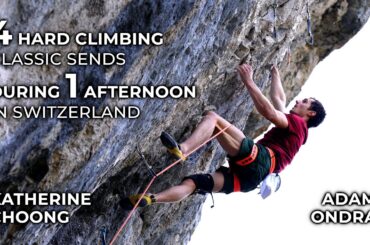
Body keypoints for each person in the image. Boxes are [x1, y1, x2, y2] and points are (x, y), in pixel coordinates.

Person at [120, 64, 326, 208]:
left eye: (305, 102)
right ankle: (151, 199)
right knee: (194, 184)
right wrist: (275, 73)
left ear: (311, 113)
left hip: (262, 161)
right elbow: (279, 99)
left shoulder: (298, 124)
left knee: (213, 118)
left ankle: (183, 149)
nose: (299, 101)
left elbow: (271, 113)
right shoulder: (297, 131)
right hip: (249, 181)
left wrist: (248, 81)